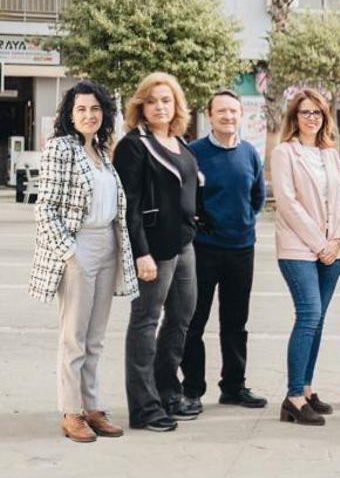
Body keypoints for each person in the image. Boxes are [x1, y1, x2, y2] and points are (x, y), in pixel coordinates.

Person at [31, 80, 138, 442]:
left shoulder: (102, 154)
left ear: (104, 113)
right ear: (70, 114)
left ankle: (91, 407)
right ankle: (71, 411)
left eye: (95, 109)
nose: (89, 115)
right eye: (81, 109)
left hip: (107, 245)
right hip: (78, 247)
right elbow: (45, 208)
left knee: (96, 338)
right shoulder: (61, 148)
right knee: (73, 338)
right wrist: (70, 253)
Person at [114, 72, 200, 432]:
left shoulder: (181, 143)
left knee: (181, 318)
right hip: (153, 249)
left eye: (166, 100)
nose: (160, 106)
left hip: (183, 245)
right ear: (141, 107)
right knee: (145, 322)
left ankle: (167, 390)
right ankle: (144, 406)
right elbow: (128, 205)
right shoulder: (135, 145)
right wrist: (140, 253)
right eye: (152, 101)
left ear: (176, 105)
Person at [179, 91, 267, 413]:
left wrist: (242, 222)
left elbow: (257, 196)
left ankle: (233, 387)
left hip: (242, 249)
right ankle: (192, 390)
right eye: (221, 111)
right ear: (209, 115)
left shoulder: (249, 153)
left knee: (235, 323)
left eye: (233, 111)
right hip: (203, 251)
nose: (228, 116)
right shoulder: (194, 153)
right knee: (194, 323)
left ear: (241, 114)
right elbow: (184, 199)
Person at [271, 89, 340, 426]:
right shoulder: (284, 153)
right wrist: (320, 243)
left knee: (317, 320)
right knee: (309, 314)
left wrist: (337, 240)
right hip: (298, 249)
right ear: (295, 117)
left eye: (317, 113)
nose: (312, 118)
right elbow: (287, 203)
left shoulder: (330, 154)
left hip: (332, 249)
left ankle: (306, 387)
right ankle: (292, 397)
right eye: (305, 112)